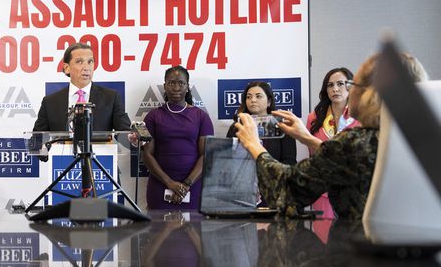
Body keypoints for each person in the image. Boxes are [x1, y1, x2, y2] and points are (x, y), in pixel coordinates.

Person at [233, 52, 427, 218]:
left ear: (371, 93)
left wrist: (254, 145)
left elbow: (287, 192)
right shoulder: (417, 139)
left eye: (351, 84)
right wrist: (307, 138)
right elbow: (347, 160)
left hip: (362, 256)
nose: (340, 90)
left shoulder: (356, 141)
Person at [142, 66, 214, 210]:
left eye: (181, 83)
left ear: (187, 87)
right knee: (158, 231)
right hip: (160, 185)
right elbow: (146, 154)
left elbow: (206, 155)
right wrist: (169, 183)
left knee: (193, 230)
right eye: (171, 83)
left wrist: (186, 185)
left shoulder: (201, 117)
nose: (176, 87)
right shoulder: (152, 117)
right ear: (165, 86)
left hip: (193, 186)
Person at [32, 42, 131, 132]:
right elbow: (37, 140)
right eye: (79, 62)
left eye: (90, 62)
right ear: (67, 68)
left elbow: (125, 133)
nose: (86, 67)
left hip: (98, 152)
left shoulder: (111, 98)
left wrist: (132, 139)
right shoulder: (50, 102)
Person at [226, 81, 296, 165]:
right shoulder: (237, 126)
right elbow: (227, 158)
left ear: (269, 101)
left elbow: (289, 161)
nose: (253, 100)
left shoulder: (282, 126)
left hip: (274, 176)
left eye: (258, 96)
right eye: (249, 97)